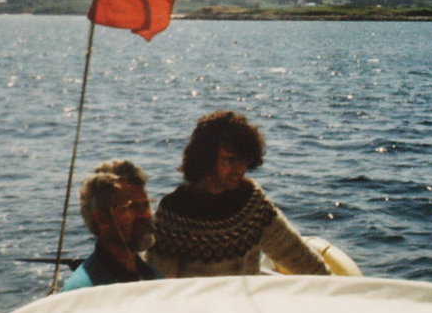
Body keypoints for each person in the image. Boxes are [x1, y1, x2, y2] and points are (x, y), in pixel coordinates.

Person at [148, 110, 328, 278]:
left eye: (244, 160)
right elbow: (159, 284)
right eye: (230, 160)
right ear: (206, 158)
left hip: (244, 301)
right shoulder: (174, 214)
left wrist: (334, 288)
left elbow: (297, 256)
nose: (239, 169)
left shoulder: (252, 204)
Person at [61, 159, 161, 291]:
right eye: (133, 207)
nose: (145, 215)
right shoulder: (82, 291)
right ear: (101, 219)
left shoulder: (153, 277)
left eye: (146, 204)